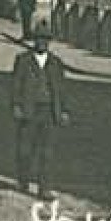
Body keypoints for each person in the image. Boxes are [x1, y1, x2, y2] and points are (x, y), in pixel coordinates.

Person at [11, 23, 70, 200]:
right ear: (34, 40)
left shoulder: (56, 63)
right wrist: (16, 105)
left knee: (47, 152)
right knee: (25, 149)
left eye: (45, 39)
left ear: (49, 42)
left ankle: (44, 188)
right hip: (29, 109)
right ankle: (23, 181)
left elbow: (61, 89)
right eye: (39, 39)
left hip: (49, 111)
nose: (42, 43)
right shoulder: (23, 60)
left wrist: (64, 110)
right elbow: (16, 85)